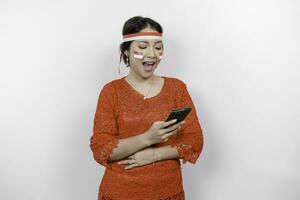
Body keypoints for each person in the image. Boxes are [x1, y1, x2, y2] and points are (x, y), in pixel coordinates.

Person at [90, 16, 204, 200]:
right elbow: (101, 148)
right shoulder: (111, 91)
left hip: (168, 190)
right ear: (127, 51)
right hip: (120, 192)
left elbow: (194, 140)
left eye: (158, 47)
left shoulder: (177, 88)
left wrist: (154, 154)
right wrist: (148, 138)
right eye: (143, 47)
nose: (152, 54)